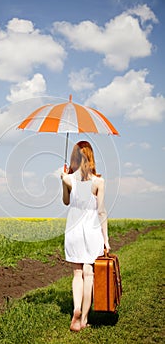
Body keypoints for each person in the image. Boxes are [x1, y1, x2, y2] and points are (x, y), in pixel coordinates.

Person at [61, 141, 110, 332]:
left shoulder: (68, 179)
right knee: (89, 273)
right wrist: (105, 239)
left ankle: (77, 309)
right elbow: (101, 212)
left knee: (77, 273)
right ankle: (84, 320)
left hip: (73, 231)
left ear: (74, 158)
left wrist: (63, 180)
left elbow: (66, 202)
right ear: (91, 157)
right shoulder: (99, 182)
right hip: (91, 231)